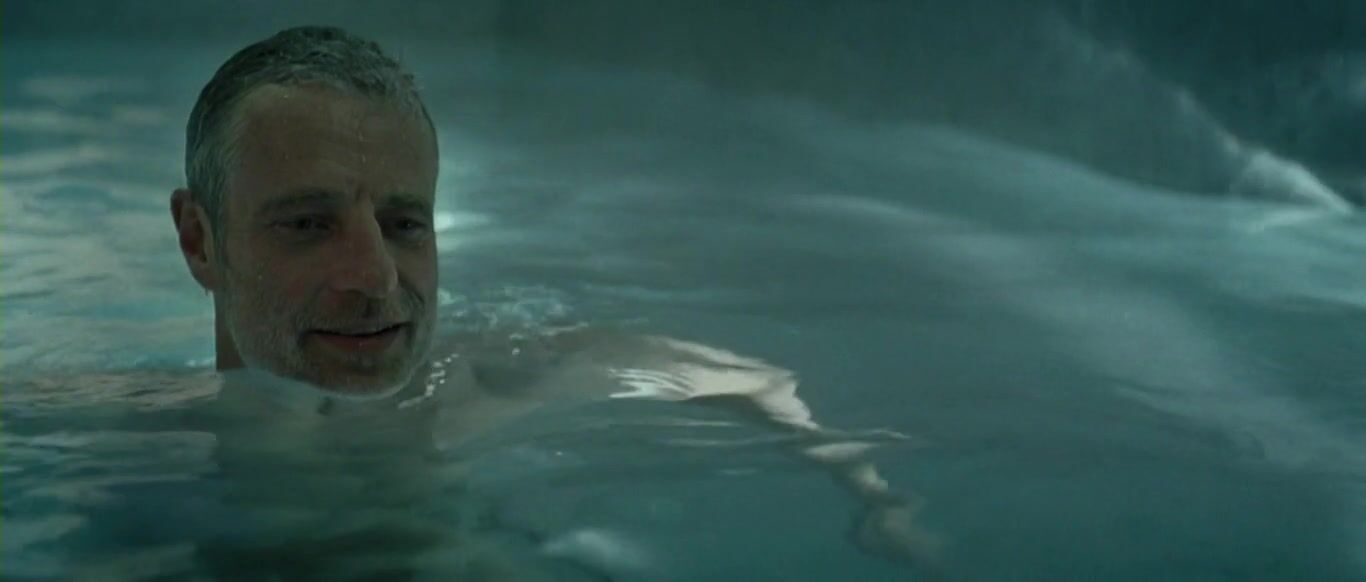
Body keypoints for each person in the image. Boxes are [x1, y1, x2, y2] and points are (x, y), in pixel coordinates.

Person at [169, 25, 937, 575]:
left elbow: (748, 379)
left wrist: (872, 491)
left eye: (404, 225)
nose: (376, 278)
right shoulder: (138, 441)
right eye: (308, 224)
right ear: (201, 242)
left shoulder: (489, 382)